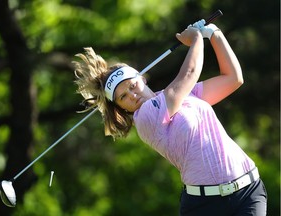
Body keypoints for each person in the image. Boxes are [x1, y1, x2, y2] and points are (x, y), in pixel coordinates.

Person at [72, 20, 267, 216]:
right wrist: (196, 38)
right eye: (123, 97)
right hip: (205, 206)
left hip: (248, 190)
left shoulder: (184, 95)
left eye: (132, 86)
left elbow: (233, 78)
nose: (132, 95)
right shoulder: (145, 117)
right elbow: (189, 73)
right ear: (120, 107)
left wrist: (214, 33)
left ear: (142, 78)